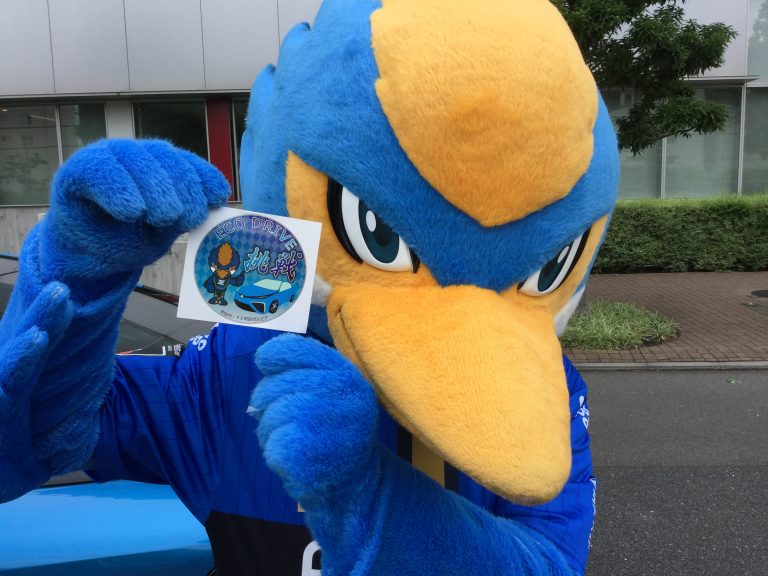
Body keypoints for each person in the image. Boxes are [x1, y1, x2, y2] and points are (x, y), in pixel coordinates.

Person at [0, 0, 619, 574]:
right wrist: (76, 285)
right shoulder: (233, 372)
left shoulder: (537, 395)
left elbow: (551, 561)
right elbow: (32, 443)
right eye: (374, 232)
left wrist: (370, 498)